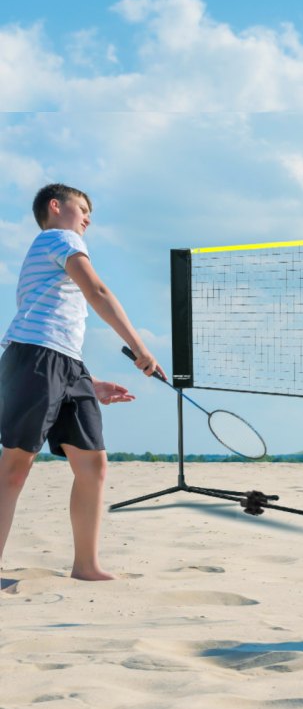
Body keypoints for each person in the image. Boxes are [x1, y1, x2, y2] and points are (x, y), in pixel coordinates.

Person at [0, 183, 164, 581]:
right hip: (33, 356)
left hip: (66, 362)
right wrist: (140, 348)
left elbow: (60, 330)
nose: (88, 217)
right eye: (82, 208)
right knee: (16, 465)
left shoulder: (55, 248)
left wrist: (87, 381)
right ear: (56, 207)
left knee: (92, 464)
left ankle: (86, 566)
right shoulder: (58, 237)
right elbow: (98, 291)